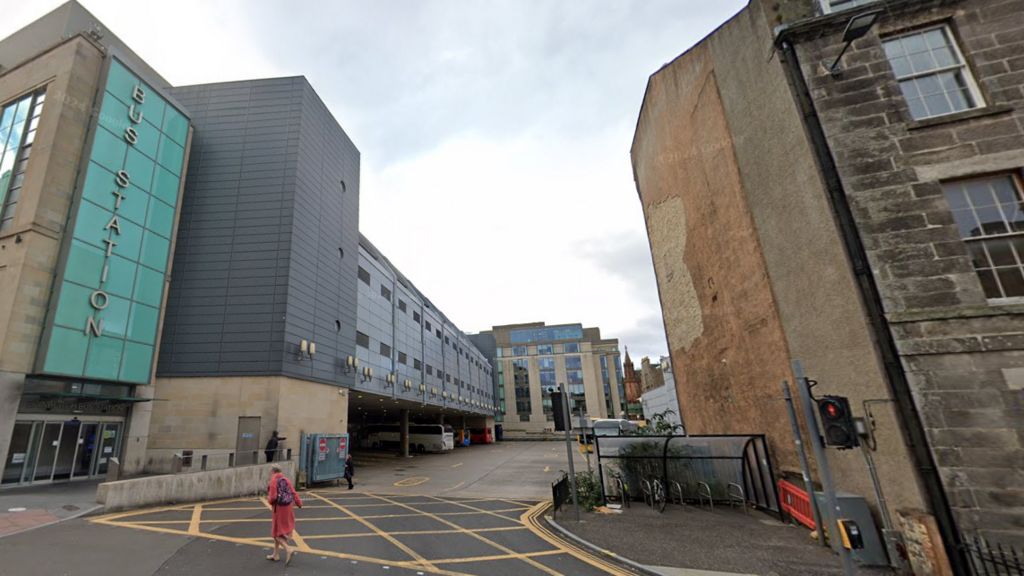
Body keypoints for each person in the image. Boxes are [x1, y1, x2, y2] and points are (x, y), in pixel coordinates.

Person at [267, 464, 302, 564]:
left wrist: (268, 500)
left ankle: (288, 549)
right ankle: (275, 554)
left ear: (273, 471)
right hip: (289, 506)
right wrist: (299, 503)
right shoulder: (286, 479)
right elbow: (293, 492)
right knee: (279, 531)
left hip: (279, 509)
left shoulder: (273, 480)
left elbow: (273, 497)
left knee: (275, 533)